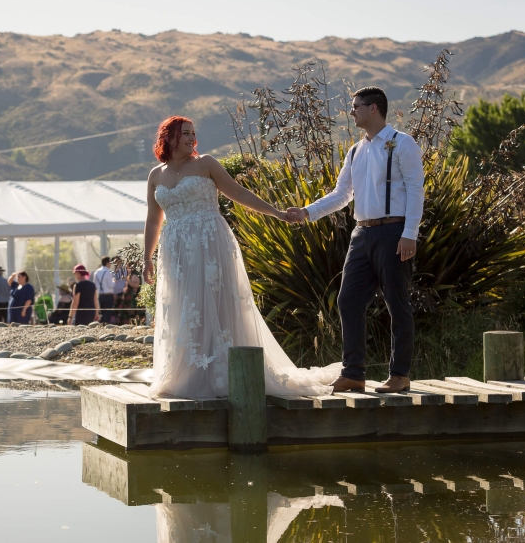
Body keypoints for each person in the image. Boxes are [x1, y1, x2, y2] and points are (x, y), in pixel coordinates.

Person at [144, 115, 340, 399]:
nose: (191, 138)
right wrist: (148, 257)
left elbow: (237, 192)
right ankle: (186, 374)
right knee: (183, 307)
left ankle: (222, 372)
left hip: (210, 242)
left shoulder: (206, 163)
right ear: (169, 137)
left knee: (214, 303)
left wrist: (276, 212)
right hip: (175, 249)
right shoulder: (155, 175)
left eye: (193, 133)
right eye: (185, 133)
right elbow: (153, 220)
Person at [286, 87, 425, 394]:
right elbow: (341, 195)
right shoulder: (355, 151)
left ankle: (399, 374)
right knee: (348, 300)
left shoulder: (402, 143)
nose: (352, 112)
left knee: (397, 303)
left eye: (356, 106)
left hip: (394, 232)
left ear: (374, 108)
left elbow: (416, 191)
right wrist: (306, 212)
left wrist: (409, 234)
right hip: (361, 234)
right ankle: (354, 373)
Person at [92, 256, 116, 324]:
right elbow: (111, 285)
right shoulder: (108, 272)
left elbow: (95, 285)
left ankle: (101, 326)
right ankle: (106, 327)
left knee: (101, 313)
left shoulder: (96, 272)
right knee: (107, 314)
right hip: (108, 295)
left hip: (100, 295)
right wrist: (114, 281)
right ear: (107, 263)